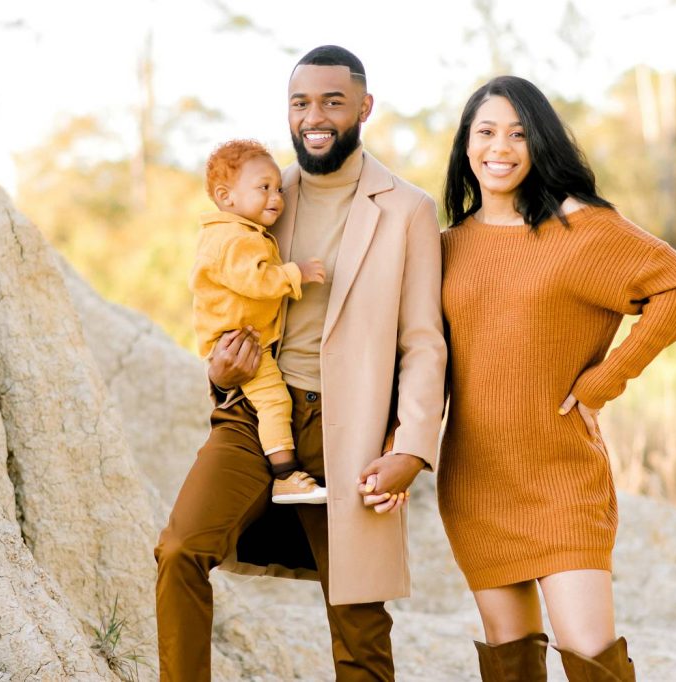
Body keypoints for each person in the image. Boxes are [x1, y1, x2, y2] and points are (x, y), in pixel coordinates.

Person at [154, 45, 446, 682]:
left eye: (332, 102)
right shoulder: (262, 197)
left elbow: (424, 342)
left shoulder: (408, 209)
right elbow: (220, 302)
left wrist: (413, 447)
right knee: (180, 549)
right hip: (255, 414)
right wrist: (219, 372)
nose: (314, 116)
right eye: (301, 102)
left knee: (360, 622)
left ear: (364, 108)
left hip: (353, 431)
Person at [438, 75, 676, 682]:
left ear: (540, 145)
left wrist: (604, 380)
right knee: (509, 658)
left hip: (562, 474)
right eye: (485, 132)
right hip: (476, 479)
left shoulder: (578, 230)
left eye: (518, 133)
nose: (499, 147)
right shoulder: (447, 247)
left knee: (589, 654)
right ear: (466, 145)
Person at [191, 138, 328, 504]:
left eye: (279, 189)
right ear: (226, 196)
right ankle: (284, 474)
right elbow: (254, 280)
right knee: (274, 402)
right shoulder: (233, 239)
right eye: (264, 188)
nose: (276, 198)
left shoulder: (237, 232)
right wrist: (293, 273)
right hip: (239, 342)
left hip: (241, 336)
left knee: (270, 401)